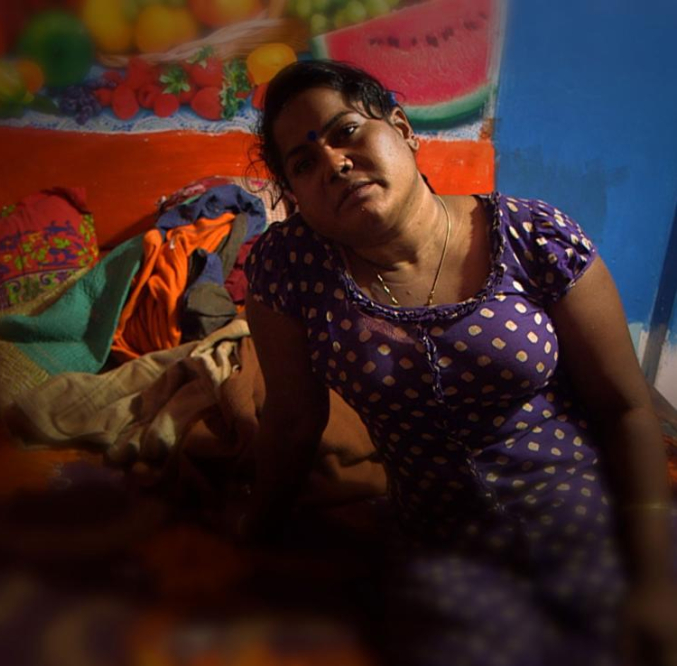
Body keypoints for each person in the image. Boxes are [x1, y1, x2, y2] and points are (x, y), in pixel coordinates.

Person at [242, 60, 677, 666]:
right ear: (294, 194)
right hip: (442, 550)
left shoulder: (533, 237)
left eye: (347, 132)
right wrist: (252, 539)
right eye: (303, 163)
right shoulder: (289, 269)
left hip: (591, 518)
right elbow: (292, 421)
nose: (334, 164)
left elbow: (625, 407)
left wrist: (655, 579)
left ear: (402, 129)